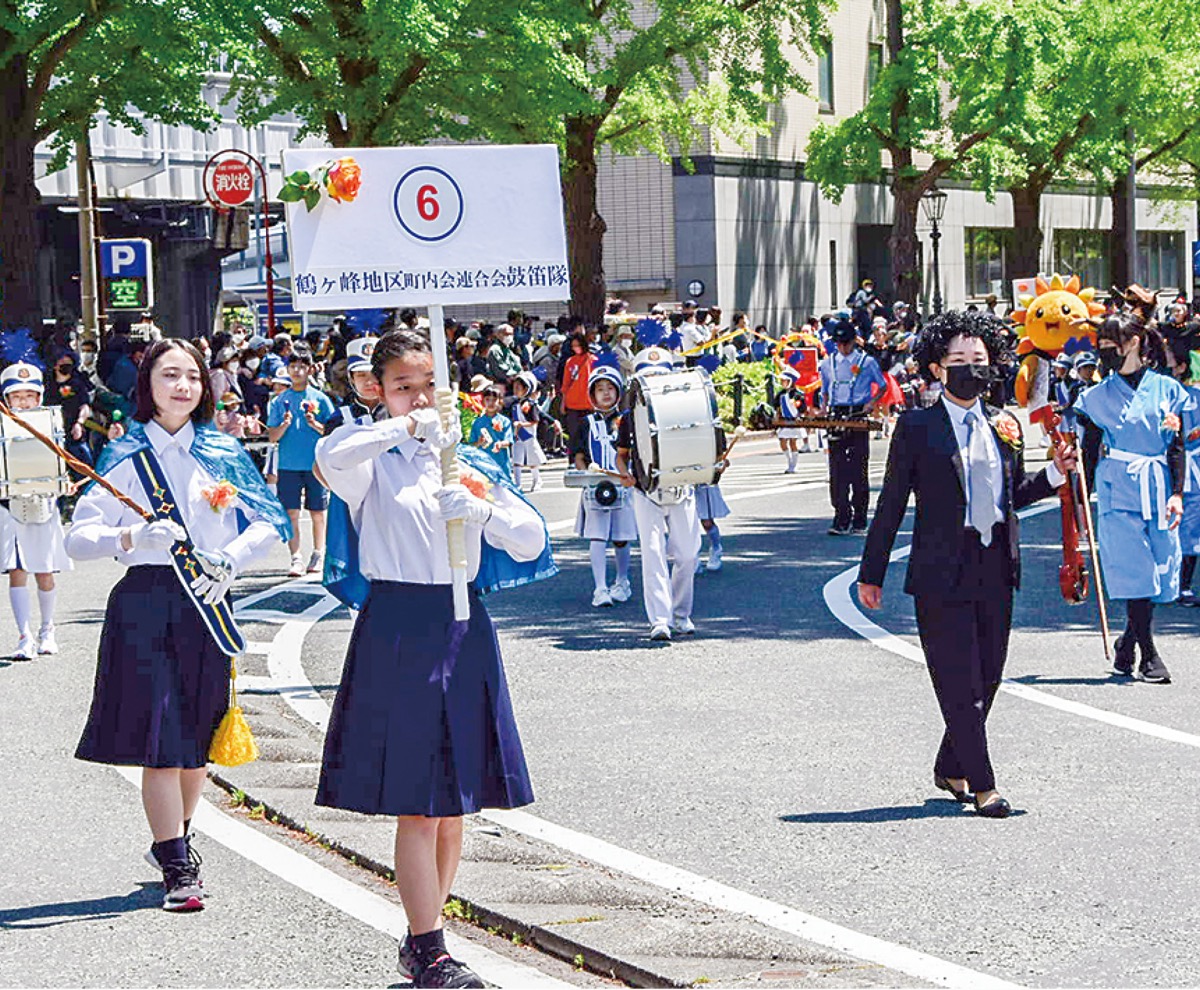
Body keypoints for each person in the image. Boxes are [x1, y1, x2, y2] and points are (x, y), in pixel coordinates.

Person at [314, 329, 553, 990]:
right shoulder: (374, 462)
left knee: (453, 803)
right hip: (398, 622)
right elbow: (334, 456)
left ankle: (430, 935)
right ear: (377, 390)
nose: (417, 397)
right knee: (418, 802)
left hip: (463, 623)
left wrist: (478, 506)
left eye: (427, 385)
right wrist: (405, 428)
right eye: (402, 386)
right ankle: (428, 946)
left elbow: (532, 539)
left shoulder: (467, 460)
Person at [66, 338, 288, 910]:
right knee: (161, 741)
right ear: (148, 384)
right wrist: (130, 537)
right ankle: (176, 866)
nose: (184, 386)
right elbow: (78, 537)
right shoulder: (124, 455)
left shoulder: (222, 450)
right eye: (170, 375)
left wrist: (231, 559)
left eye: (193, 375)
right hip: (145, 601)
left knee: (195, 742)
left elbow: (266, 523)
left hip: (208, 600)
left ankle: (176, 841)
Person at [858, 311, 1076, 818]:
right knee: (958, 678)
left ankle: (950, 764)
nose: (969, 369)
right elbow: (891, 503)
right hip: (940, 571)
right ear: (936, 368)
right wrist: (872, 572)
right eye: (958, 361)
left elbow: (1011, 495)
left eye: (978, 360)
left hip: (995, 564)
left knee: (989, 677)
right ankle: (984, 786)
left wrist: (1054, 475)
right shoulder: (917, 427)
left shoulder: (1005, 424)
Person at [1074, 313, 1192, 683]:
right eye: (1102, 346)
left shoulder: (1168, 388)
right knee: (1134, 569)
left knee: (1160, 569)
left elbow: (1176, 447)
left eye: (1115, 344)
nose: (1108, 352)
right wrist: (1083, 501)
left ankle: (1127, 643)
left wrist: (1177, 492)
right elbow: (1089, 451)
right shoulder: (1094, 396)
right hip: (1117, 487)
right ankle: (1149, 655)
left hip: (1157, 485)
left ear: (1136, 342)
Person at [616, 346, 702, 641]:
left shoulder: (688, 407)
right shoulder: (630, 416)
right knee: (652, 554)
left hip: (681, 487)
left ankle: (681, 613)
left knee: (688, 556)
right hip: (646, 490)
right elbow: (622, 455)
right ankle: (660, 620)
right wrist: (625, 473)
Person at [0, 364, 73, 657]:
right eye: (17, 396)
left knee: (44, 571)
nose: (24, 401)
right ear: (6, 399)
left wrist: (66, 483)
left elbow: (66, 459)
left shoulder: (51, 422)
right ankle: (24, 636)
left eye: (30, 395)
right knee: (17, 570)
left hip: (43, 503)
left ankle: (47, 629)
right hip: (8, 506)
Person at [267, 346, 336, 577]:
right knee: (291, 512)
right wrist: (285, 424)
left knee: (318, 512)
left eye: (301, 367)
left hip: (316, 465)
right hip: (288, 465)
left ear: (309, 369)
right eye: (293, 366)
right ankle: (295, 557)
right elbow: (272, 436)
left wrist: (314, 423)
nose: (297, 371)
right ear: (287, 369)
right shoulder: (280, 401)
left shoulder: (320, 399)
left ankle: (319, 553)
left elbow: (333, 432)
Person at [576, 360, 636, 607]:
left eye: (610, 388)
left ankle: (622, 582)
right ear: (592, 394)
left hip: (622, 483)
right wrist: (585, 476)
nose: (605, 393)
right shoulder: (585, 423)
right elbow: (579, 455)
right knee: (598, 536)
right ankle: (600, 588)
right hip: (596, 486)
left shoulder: (628, 419)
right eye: (599, 389)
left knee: (621, 536)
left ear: (618, 392)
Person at [818, 319, 886, 535]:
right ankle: (840, 517)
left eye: (846, 343)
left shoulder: (866, 361)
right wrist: (822, 409)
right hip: (837, 413)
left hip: (857, 412)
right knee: (837, 468)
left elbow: (882, 386)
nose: (842, 347)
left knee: (858, 467)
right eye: (838, 343)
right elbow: (825, 391)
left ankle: (859, 519)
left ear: (854, 342)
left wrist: (871, 403)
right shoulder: (828, 364)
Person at [326, 336, 382, 430]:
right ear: (351, 378)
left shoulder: (399, 414)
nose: (369, 382)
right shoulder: (339, 419)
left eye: (375, 374)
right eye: (361, 375)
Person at [560, 334, 595, 464]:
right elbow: (565, 384)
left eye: (578, 345)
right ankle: (573, 461)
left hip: (588, 404)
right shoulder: (570, 362)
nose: (576, 348)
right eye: (573, 346)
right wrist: (563, 403)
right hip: (573, 404)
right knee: (573, 435)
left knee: (589, 434)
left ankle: (589, 460)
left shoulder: (593, 360)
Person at [507, 372, 545, 492]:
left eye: (519, 387)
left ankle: (537, 479)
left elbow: (535, 421)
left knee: (532, 460)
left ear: (526, 389)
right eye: (515, 386)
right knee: (516, 460)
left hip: (528, 435)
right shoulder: (514, 404)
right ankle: (517, 484)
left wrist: (521, 424)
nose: (516, 389)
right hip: (518, 436)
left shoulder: (530, 404)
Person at [468, 384, 514, 477]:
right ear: (483, 401)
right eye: (488, 399)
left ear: (500, 401)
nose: (491, 403)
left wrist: (500, 444)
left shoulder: (505, 421)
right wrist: (479, 442)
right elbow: (472, 444)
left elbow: (509, 441)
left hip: (501, 462)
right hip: (484, 462)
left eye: (494, 400)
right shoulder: (477, 422)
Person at [775, 368, 812, 469]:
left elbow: (803, 409)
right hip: (784, 421)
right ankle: (789, 459)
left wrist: (800, 415)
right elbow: (777, 407)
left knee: (792, 442)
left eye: (784, 380)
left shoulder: (798, 394)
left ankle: (793, 465)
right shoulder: (780, 394)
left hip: (795, 421)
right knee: (782, 441)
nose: (782, 382)